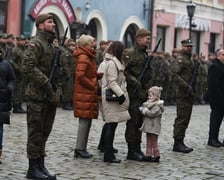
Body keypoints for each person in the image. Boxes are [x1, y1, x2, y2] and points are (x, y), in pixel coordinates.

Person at [23, 13, 61, 180]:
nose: (53, 24)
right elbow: (28, 67)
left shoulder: (51, 45)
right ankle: (32, 168)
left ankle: (40, 164)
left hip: (49, 97)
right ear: (40, 25)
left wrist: (56, 89)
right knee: (35, 133)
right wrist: (46, 83)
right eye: (49, 22)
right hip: (37, 96)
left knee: (45, 132)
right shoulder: (35, 44)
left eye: (53, 22)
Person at [98, 41, 130, 163]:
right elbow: (112, 82)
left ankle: (109, 152)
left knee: (112, 125)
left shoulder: (117, 63)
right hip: (112, 98)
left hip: (115, 97)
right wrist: (120, 94)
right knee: (111, 125)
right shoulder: (112, 64)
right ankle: (108, 155)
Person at [124, 28, 152, 161]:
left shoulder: (145, 54)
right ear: (139, 38)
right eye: (147, 38)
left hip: (142, 93)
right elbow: (124, 70)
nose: (149, 40)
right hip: (132, 93)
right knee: (133, 122)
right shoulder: (130, 53)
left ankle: (137, 148)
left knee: (140, 122)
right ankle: (131, 150)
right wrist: (134, 81)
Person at [73, 34, 102, 158]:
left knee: (87, 120)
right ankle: (79, 148)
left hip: (86, 92)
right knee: (84, 121)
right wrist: (92, 85)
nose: (94, 44)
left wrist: (96, 75)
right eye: (91, 43)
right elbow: (81, 76)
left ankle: (82, 147)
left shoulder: (88, 56)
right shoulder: (84, 56)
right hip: (84, 92)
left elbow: (87, 73)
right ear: (85, 45)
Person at [170, 39, 195, 153]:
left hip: (189, 93)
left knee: (186, 118)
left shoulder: (190, 59)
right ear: (182, 46)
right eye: (187, 46)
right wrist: (186, 86)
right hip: (182, 92)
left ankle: (181, 140)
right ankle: (177, 142)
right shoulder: (180, 59)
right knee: (181, 118)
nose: (189, 48)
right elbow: (174, 75)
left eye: (190, 46)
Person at [139, 86, 164, 163]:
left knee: (154, 142)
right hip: (149, 127)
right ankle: (148, 155)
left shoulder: (157, 106)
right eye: (148, 95)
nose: (149, 97)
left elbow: (151, 114)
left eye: (151, 96)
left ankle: (157, 156)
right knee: (148, 142)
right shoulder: (149, 104)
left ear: (156, 96)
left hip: (154, 127)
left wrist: (144, 111)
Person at [0, 48, 16, 164]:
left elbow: (12, 79)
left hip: (2, 100)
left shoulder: (6, 64)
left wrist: (9, 89)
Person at [207, 49, 224, 147]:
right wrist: (217, 100)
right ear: (218, 55)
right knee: (215, 120)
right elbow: (213, 85)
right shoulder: (215, 66)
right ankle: (212, 139)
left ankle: (217, 139)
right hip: (217, 99)